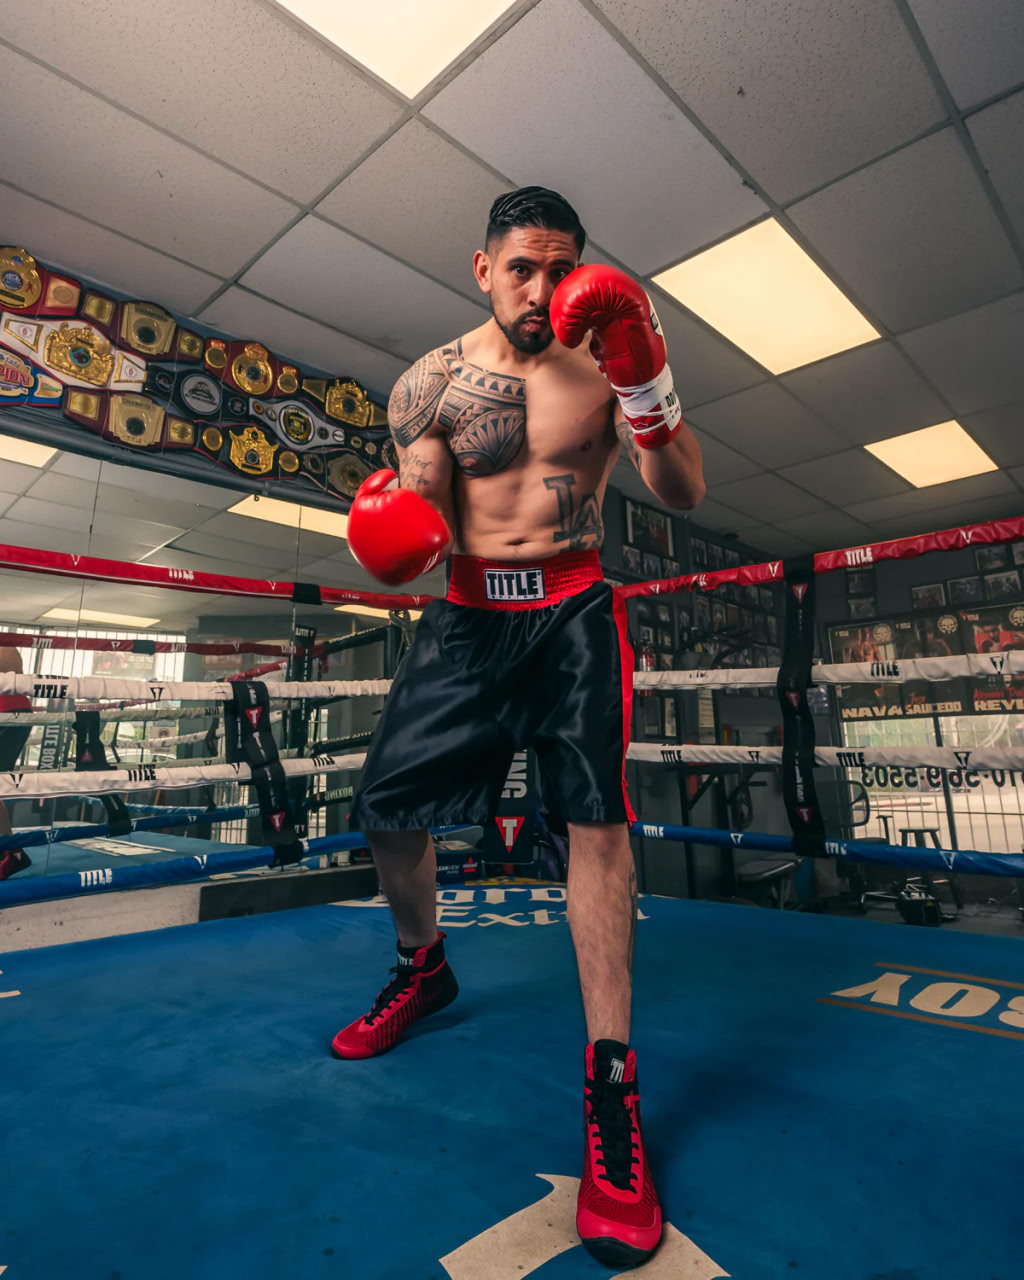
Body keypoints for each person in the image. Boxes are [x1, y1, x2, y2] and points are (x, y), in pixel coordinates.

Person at [333, 187, 705, 1268]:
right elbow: (421, 507)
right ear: (482, 268)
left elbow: (681, 490)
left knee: (596, 823)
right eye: (521, 268)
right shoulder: (430, 382)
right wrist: (394, 525)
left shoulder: (604, 359)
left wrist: (646, 378)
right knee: (386, 804)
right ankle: (423, 965)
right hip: (465, 617)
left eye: (559, 267)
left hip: (575, 612)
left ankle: (612, 1088)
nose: (542, 290)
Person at [0, 646, 33, 880]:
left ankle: (12, 852)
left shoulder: (5, 645)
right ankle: (12, 851)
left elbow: (11, 666)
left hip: (8, 711)